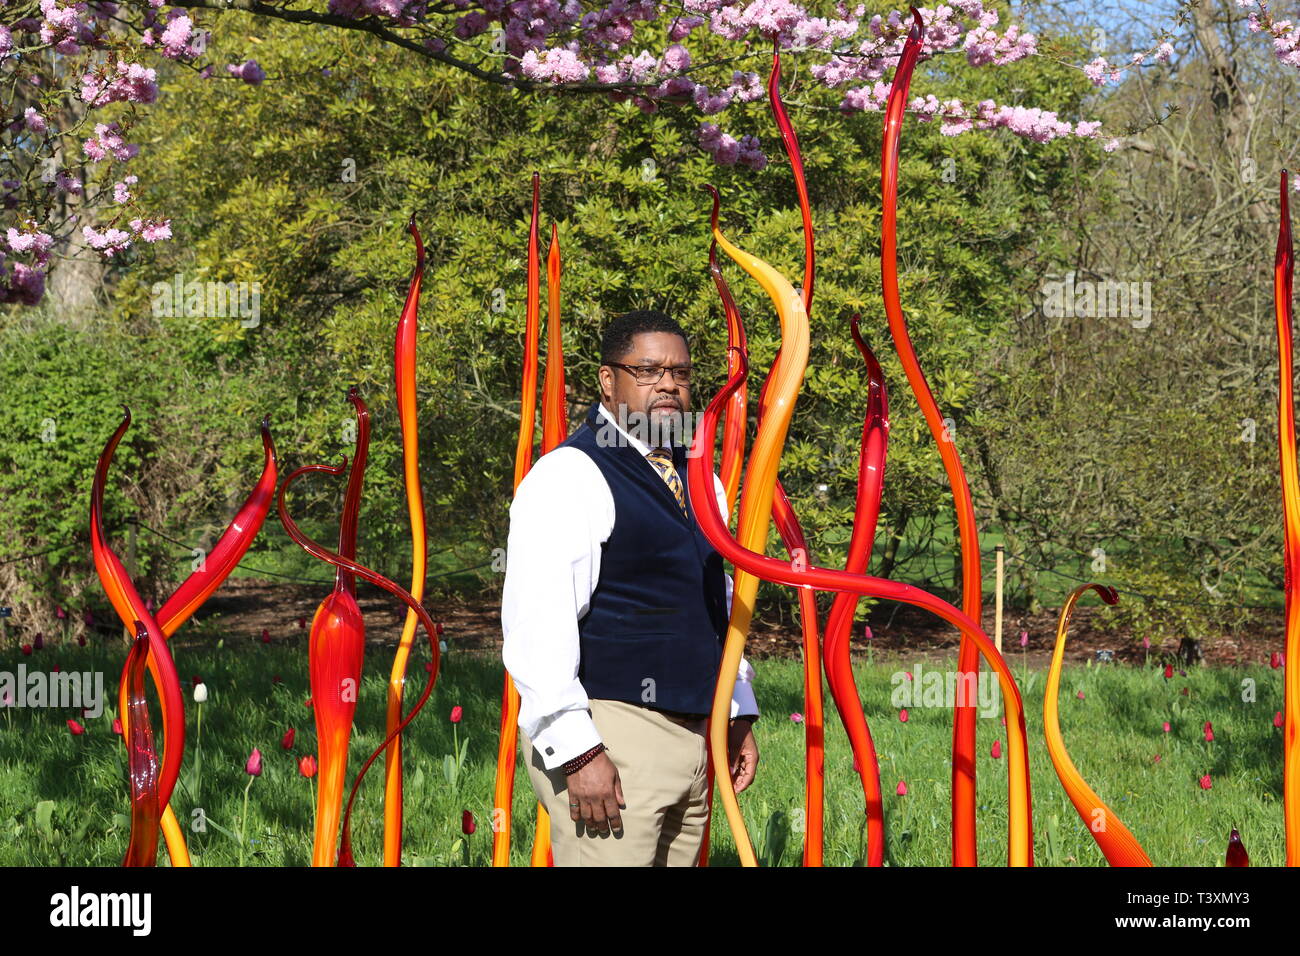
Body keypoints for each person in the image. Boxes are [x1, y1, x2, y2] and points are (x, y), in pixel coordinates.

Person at [501, 308, 760, 866]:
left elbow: (712, 604)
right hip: (611, 736)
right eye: (646, 370)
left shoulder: (700, 479)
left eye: (681, 373)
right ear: (607, 380)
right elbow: (537, 627)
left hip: (694, 739)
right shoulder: (571, 474)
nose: (667, 384)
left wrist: (737, 710)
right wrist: (577, 752)